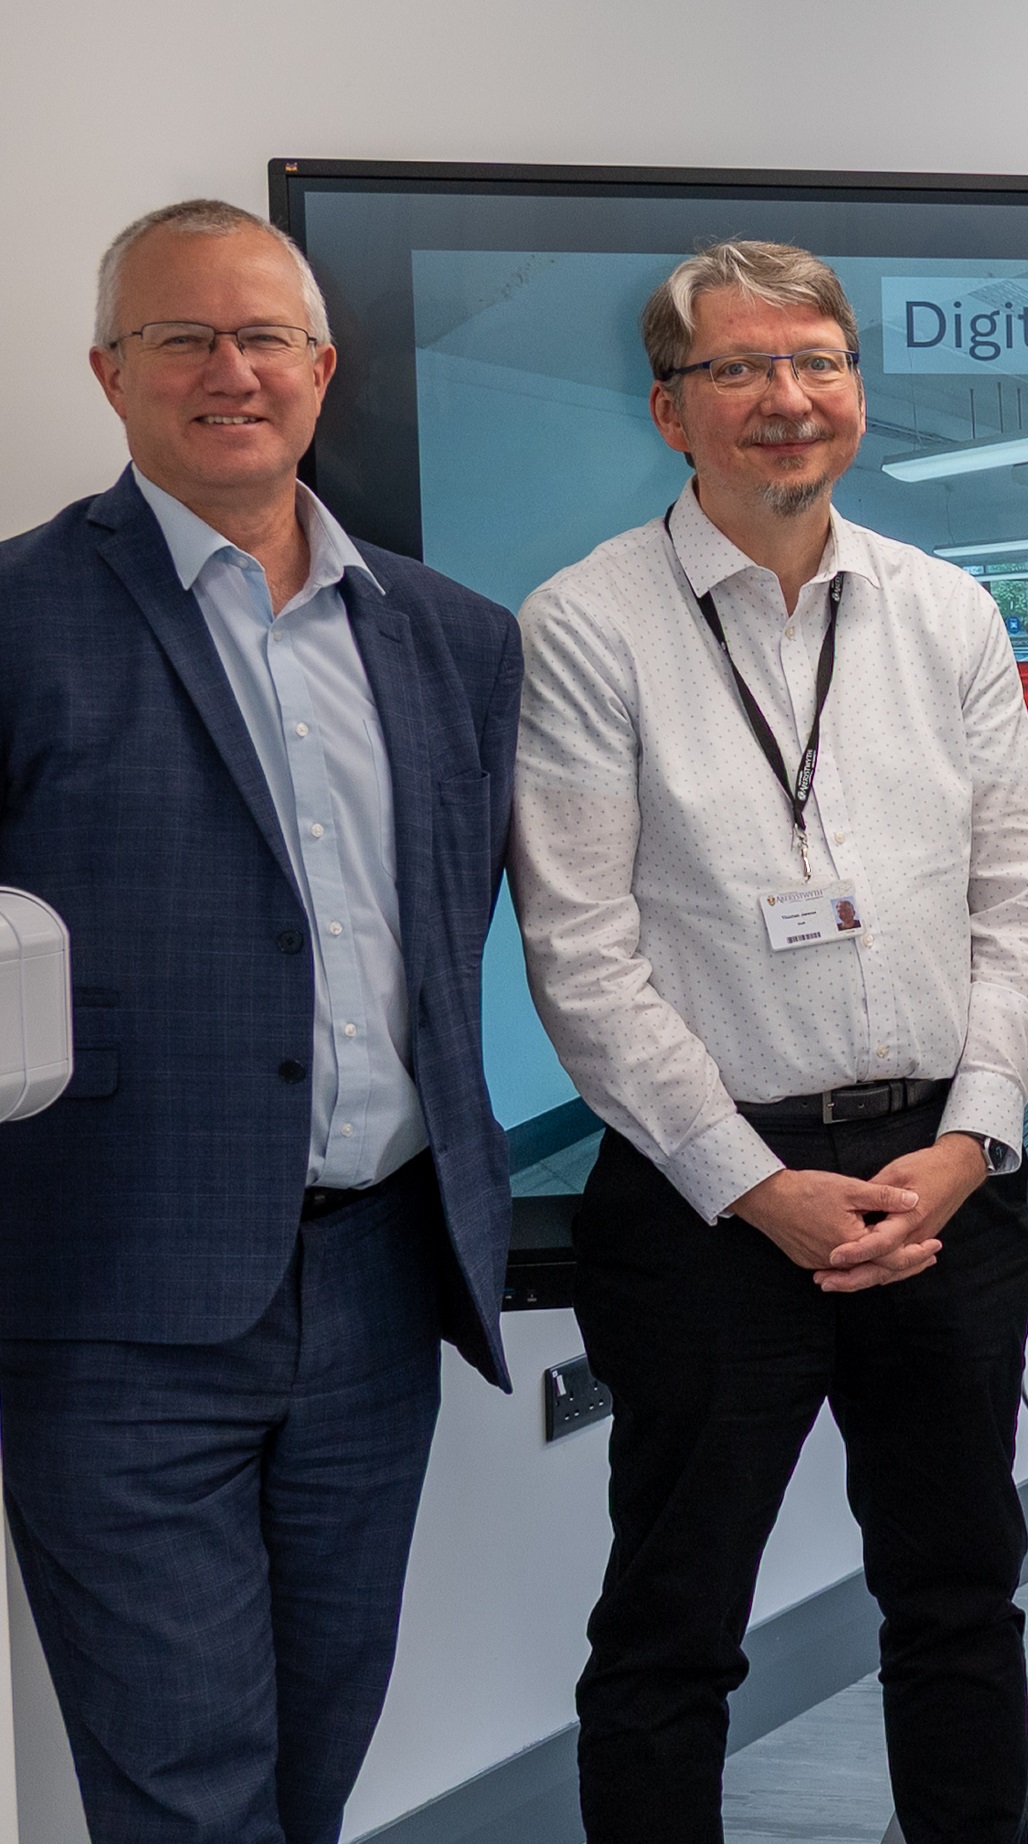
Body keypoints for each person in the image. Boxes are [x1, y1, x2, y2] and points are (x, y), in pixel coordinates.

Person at [508, 241, 1028, 1844]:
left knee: (961, 1598)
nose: (787, 399)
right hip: (706, 1211)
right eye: (742, 370)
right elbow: (581, 952)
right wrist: (760, 1187)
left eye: (817, 362)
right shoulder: (588, 625)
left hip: (939, 1190)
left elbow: (1024, 899)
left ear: (857, 393)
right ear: (671, 409)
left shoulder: (944, 610)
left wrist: (968, 1147)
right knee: (673, 1631)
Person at [0, 200, 519, 1844]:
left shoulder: (453, 637)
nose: (231, 370)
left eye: (264, 337)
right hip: (116, 1305)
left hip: (376, 1284)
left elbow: (460, 925)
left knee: (313, 1752)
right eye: (182, 338)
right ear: (110, 370)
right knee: (181, 1785)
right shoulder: (19, 620)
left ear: (321, 366)